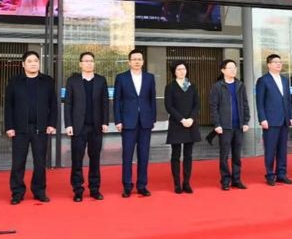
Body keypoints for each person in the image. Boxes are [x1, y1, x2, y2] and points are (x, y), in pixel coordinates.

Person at [4, 51, 58, 204]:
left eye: (36, 61)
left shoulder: (47, 81)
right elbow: (9, 105)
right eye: (29, 61)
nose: (33, 63)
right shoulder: (15, 81)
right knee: (18, 162)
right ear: (23, 64)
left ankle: (39, 191)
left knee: (40, 163)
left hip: (40, 128)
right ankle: (17, 192)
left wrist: (52, 124)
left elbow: (53, 104)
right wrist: (9, 126)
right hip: (19, 129)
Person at [64, 52, 109, 202]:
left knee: (95, 159)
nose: (89, 63)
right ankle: (78, 190)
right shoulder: (73, 81)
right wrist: (68, 124)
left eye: (91, 61)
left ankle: (95, 189)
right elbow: (68, 104)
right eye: (86, 61)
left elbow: (105, 103)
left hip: (96, 126)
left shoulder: (101, 80)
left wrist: (105, 122)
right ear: (80, 64)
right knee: (77, 159)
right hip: (78, 127)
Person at [114, 49, 156, 198]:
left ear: (143, 62)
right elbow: (117, 100)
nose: (137, 61)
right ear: (129, 62)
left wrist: (153, 119)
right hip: (128, 122)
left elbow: (152, 99)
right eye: (134, 59)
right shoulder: (121, 78)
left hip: (145, 122)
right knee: (127, 155)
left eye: (139, 59)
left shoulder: (149, 78)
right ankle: (127, 186)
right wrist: (118, 120)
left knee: (144, 155)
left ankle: (142, 185)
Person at [209, 59, 250, 190]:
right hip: (225, 127)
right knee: (224, 155)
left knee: (237, 155)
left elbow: (245, 104)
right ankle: (225, 180)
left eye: (235, 67)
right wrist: (217, 124)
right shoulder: (218, 86)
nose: (233, 70)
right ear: (223, 70)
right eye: (230, 67)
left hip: (239, 126)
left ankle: (236, 180)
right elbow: (213, 107)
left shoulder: (240, 85)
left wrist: (246, 121)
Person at [255, 54, 292, 186]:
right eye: (275, 62)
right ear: (269, 65)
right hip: (270, 120)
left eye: (280, 62)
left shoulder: (285, 80)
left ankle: (281, 174)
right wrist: (262, 119)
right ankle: (270, 174)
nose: (279, 64)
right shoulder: (263, 80)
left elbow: (288, 101)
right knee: (270, 149)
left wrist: (290, 116)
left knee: (283, 149)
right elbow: (259, 102)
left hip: (284, 120)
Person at [164, 61, 201, 194]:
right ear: (174, 72)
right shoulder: (170, 87)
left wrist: (191, 119)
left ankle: (186, 183)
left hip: (190, 123)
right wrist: (181, 119)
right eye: (179, 69)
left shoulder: (191, 86)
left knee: (188, 155)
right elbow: (169, 106)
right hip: (176, 124)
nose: (182, 71)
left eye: (184, 69)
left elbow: (197, 104)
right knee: (175, 155)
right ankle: (177, 183)